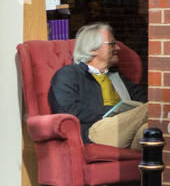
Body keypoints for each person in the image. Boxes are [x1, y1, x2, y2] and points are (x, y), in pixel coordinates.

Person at [48, 22, 148, 150]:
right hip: (95, 132)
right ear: (92, 49)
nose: (118, 48)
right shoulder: (69, 75)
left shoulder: (119, 79)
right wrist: (112, 111)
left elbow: (141, 102)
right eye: (112, 44)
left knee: (151, 131)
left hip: (127, 131)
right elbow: (67, 109)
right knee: (154, 108)